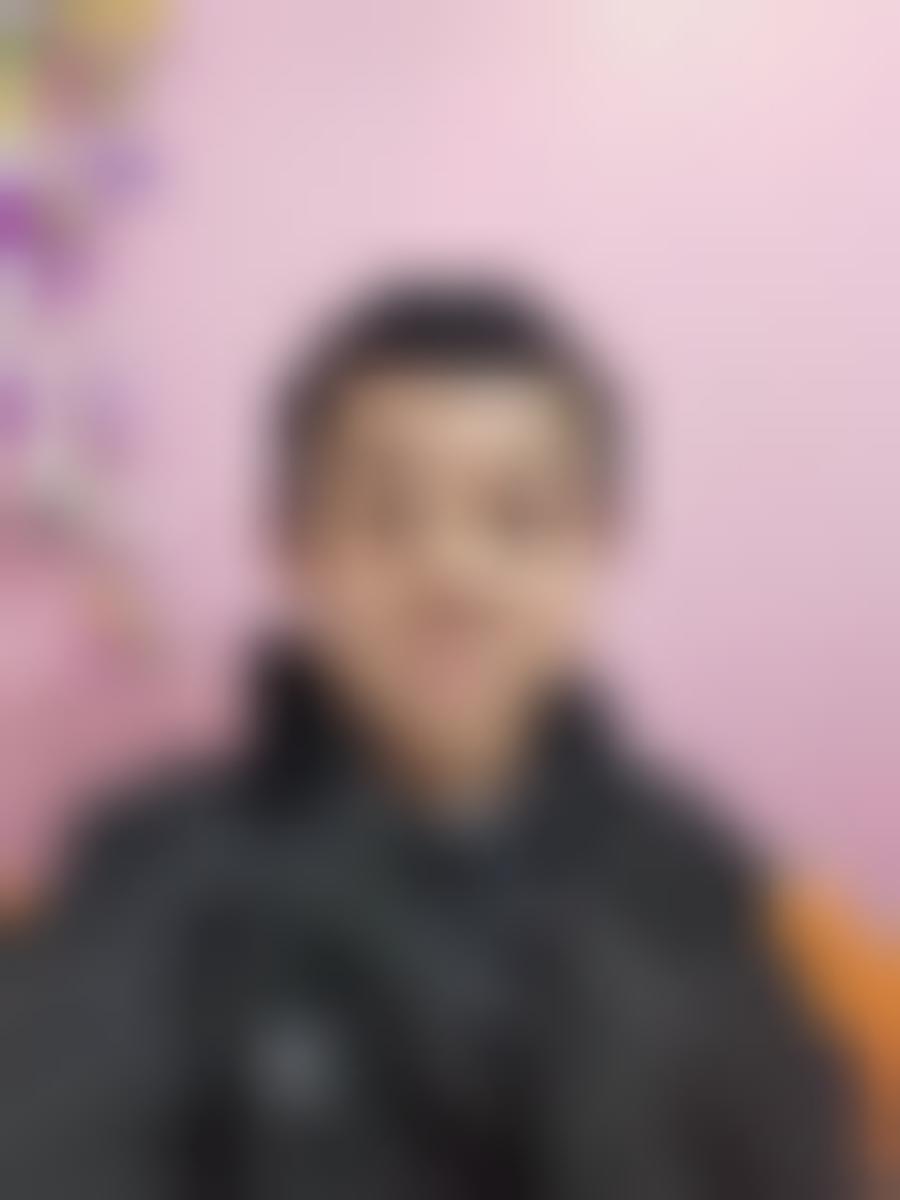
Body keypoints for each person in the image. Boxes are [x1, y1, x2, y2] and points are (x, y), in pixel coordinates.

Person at [5, 281, 856, 1199]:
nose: (453, 571)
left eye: (518, 517)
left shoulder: (687, 881)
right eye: (388, 515)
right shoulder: (152, 873)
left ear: (599, 549)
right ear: (293, 546)